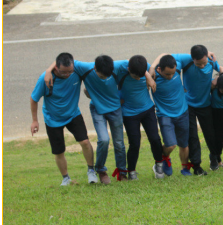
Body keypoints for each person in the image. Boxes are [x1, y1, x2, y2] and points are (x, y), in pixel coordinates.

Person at [45, 55, 128, 183]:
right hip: (97, 109)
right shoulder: (85, 68)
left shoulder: (116, 65)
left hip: (115, 109)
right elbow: (63, 60)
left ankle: (122, 172)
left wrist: (149, 76)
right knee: (104, 140)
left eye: (108, 75)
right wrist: (48, 71)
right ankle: (101, 170)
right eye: (101, 76)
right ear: (95, 68)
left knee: (119, 142)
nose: (105, 78)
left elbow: (136, 62)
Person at [30, 52, 97, 186]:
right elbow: (34, 99)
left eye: (70, 72)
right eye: (64, 72)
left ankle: (91, 171)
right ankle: (65, 178)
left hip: (73, 114)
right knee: (59, 151)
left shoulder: (76, 70)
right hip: (52, 119)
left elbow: (98, 65)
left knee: (84, 142)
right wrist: (35, 120)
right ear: (56, 68)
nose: (67, 75)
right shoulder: (45, 78)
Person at [172, 45, 223, 175]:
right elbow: (166, 56)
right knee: (193, 136)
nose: (203, 66)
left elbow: (221, 69)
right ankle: (196, 166)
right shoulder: (186, 60)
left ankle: (215, 157)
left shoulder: (211, 60)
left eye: (204, 63)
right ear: (192, 59)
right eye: (199, 64)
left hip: (205, 104)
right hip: (189, 105)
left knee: (211, 133)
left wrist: (219, 78)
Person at [116, 55, 162, 180]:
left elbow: (162, 57)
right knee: (135, 143)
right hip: (129, 114)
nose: (137, 79)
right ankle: (131, 171)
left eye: (140, 76)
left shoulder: (145, 67)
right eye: (135, 76)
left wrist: (148, 75)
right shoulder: (120, 68)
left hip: (147, 109)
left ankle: (159, 164)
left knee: (155, 138)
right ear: (128, 68)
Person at [148, 54, 192, 177]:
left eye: (172, 73)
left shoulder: (176, 68)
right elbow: (133, 64)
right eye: (167, 74)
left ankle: (184, 168)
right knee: (171, 144)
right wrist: (149, 72)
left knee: (184, 144)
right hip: (164, 115)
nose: (170, 76)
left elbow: (164, 54)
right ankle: (164, 157)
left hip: (183, 113)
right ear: (159, 69)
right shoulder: (153, 76)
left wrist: (207, 52)